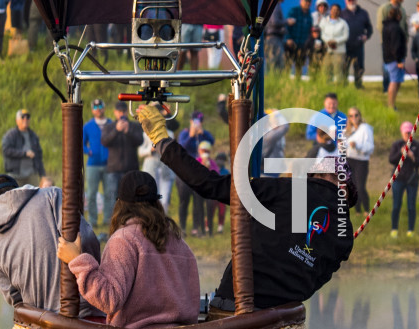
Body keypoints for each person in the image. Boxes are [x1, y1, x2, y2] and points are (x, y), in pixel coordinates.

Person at [137, 104, 355, 310]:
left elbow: (209, 185)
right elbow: (315, 281)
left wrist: (162, 141)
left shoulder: (287, 190)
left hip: (237, 305)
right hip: (283, 319)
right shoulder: (345, 237)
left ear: (317, 174)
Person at [57, 170, 199, 329]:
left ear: (120, 203)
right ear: (156, 203)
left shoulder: (124, 240)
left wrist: (77, 261)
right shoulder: (180, 243)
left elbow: (108, 300)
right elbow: (193, 304)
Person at [0, 174, 100, 312]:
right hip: (85, 313)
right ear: (18, 191)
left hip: (40, 324)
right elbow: (87, 239)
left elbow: (12, 295)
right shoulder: (52, 195)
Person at [175, 111, 214, 233]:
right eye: (196, 121)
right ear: (191, 121)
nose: (198, 124)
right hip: (184, 172)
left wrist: (202, 134)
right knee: (184, 200)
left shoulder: (203, 134)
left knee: (198, 200)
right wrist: (191, 135)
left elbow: (211, 142)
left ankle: (197, 227)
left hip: (198, 172)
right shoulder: (185, 133)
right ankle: (182, 227)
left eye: (200, 122)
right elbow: (181, 146)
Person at [101, 100, 144, 202]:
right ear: (115, 112)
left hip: (131, 169)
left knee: (131, 199)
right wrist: (116, 130)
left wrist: (127, 131)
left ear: (127, 112)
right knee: (113, 200)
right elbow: (104, 142)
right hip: (114, 170)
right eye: (119, 111)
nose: (121, 113)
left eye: (124, 111)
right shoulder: (109, 126)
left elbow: (140, 141)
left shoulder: (134, 126)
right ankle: (115, 218)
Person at [388, 121, 419, 237]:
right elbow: (391, 160)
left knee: (411, 205)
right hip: (398, 179)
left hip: (412, 180)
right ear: (402, 132)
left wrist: (413, 157)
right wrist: (400, 153)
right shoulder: (397, 145)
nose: (407, 135)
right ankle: (394, 229)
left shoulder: (418, 146)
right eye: (405, 133)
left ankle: (410, 230)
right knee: (396, 204)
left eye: (409, 132)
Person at [82, 97, 112, 232]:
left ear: (104, 108)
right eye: (95, 107)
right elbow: (81, 143)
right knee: (92, 193)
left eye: (100, 107)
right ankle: (93, 220)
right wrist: (88, 151)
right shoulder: (87, 126)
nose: (98, 110)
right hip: (92, 164)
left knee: (109, 192)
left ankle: (108, 219)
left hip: (109, 164)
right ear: (92, 110)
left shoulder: (111, 124)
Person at [377, 0, 408, 92]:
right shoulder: (384, 8)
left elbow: (405, 25)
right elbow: (380, 25)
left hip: (400, 41)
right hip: (388, 42)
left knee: (398, 64)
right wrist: (387, 40)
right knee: (388, 65)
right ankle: (387, 87)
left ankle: (394, 88)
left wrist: (405, 38)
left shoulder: (402, 9)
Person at [343, 107, 374, 213]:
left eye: (356, 115)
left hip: (361, 161)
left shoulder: (365, 128)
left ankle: (366, 209)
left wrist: (357, 146)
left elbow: (370, 147)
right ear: (349, 117)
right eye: (351, 116)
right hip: (350, 159)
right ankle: (357, 211)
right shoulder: (347, 130)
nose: (354, 118)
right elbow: (343, 147)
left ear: (360, 116)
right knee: (353, 186)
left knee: (360, 186)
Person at [2, 109, 45, 184]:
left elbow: (39, 155)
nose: (25, 119)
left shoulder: (33, 135)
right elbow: (6, 150)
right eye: (22, 117)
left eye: (27, 117)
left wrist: (42, 174)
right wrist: (24, 153)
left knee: (35, 195)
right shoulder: (11, 134)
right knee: (16, 196)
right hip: (15, 176)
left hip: (31, 175)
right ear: (17, 120)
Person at [343, 0, 372, 88]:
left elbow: (369, 28)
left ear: (356, 0)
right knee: (345, 66)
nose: (351, 1)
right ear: (346, 1)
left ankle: (358, 84)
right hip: (346, 45)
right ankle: (344, 84)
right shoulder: (342, 13)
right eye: (349, 0)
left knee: (359, 66)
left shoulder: (363, 13)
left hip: (359, 45)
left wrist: (366, 36)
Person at [193, 140, 221, 236]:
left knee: (210, 209)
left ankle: (210, 231)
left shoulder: (212, 163)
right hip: (199, 189)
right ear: (199, 151)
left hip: (209, 190)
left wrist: (209, 168)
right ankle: (202, 230)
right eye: (203, 151)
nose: (205, 153)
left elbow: (217, 174)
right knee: (199, 209)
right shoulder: (197, 161)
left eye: (207, 151)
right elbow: (193, 174)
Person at [382, 6, 407, 110]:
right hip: (395, 59)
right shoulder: (395, 28)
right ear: (398, 16)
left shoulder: (386, 26)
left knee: (396, 80)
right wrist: (399, 60)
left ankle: (392, 103)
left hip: (388, 58)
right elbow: (395, 45)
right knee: (394, 81)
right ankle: (391, 106)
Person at [319, 2, 349, 82]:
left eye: (337, 10)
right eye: (333, 9)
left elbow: (345, 36)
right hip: (327, 50)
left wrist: (335, 41)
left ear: (339, 11)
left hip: (339, 51)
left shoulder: (343, 23)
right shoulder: (324, 21)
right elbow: (321, 33)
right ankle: (326, 87)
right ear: (330, 10)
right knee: (326, 69)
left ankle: (338, 88)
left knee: (338, 71)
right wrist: (328, 41)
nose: (335, 11)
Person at [285, 0, 313, 73]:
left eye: (309, 2)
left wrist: (306, 44)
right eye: (306, 1)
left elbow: (309, 32)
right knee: (287, 65)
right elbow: (286, 26)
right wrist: (288, 38)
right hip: (291, 44)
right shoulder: (294, 11)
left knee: (299, 67)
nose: (307, 3)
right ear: (301, 1)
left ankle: (297, 82)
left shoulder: (309, 16)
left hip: (302, 46)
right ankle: (284, 82)